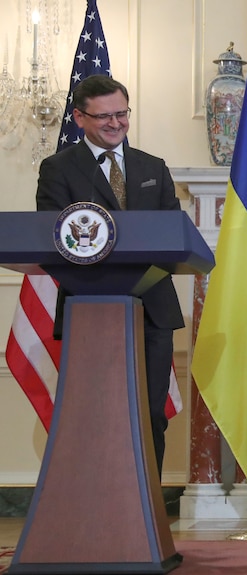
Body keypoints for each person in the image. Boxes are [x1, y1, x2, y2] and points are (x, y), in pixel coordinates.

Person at [36, 75, 184, 478]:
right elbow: (54, 238)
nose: (115, 123)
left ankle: (150, 518)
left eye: (122, 113)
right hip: (90, 308)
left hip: (152, 309)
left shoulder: (152, 168)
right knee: (96, 415)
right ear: (80, 117)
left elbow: (173, 234)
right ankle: (96, 513)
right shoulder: (58, 169)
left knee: (152, 413)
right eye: (104, 117)